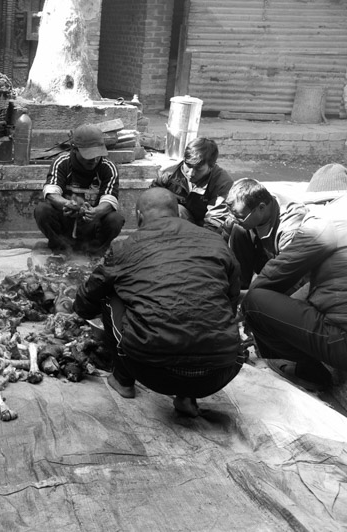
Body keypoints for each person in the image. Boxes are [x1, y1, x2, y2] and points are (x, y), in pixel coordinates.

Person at [73, 187, 243, 417]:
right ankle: (187, 397)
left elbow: (86, 300)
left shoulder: (125, 247)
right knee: (205, 303)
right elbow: (230, 303)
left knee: (108, 291)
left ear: (139, 215)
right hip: (219, 371)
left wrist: (80, 309)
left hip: (151, 370)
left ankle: (123, 381)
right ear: (177, 212)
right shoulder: (216, 242)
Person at [241, 192, 347, 392]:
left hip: (341, 341)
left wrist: (246, 309)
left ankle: (309, 372)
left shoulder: (328, 219)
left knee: (255, 301)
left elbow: (280, 271)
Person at [33, 124, 125, 254]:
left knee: (115, 219)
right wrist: (66, 203)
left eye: (97, 154)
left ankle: (95, 252)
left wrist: (96, 211)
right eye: (88, 155)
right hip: (67, 223)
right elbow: (51, 193)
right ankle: (61, 250)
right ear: (74, 149)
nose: (93, 159)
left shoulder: (108, 167)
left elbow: (110, 200)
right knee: (42, 210)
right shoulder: (62, 162)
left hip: (92, 226)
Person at [223, 178, 308, 289]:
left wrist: (251, 294)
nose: (233, 219)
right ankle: (239, 286)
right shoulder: (253, 200)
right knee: (238, 228)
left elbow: (288, 274)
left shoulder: (289, 228)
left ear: (261, 207)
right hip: (268, 260)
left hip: (292, 276)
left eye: (240, 217)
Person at [150, 137, 233, 231]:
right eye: (188, 166)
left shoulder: (222, 183)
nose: (191, 173)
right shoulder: (169, 173)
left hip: (203, 229)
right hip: (172, 224)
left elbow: (215, 222)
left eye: (198, 169)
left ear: (211, 166)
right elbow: (151, 198)